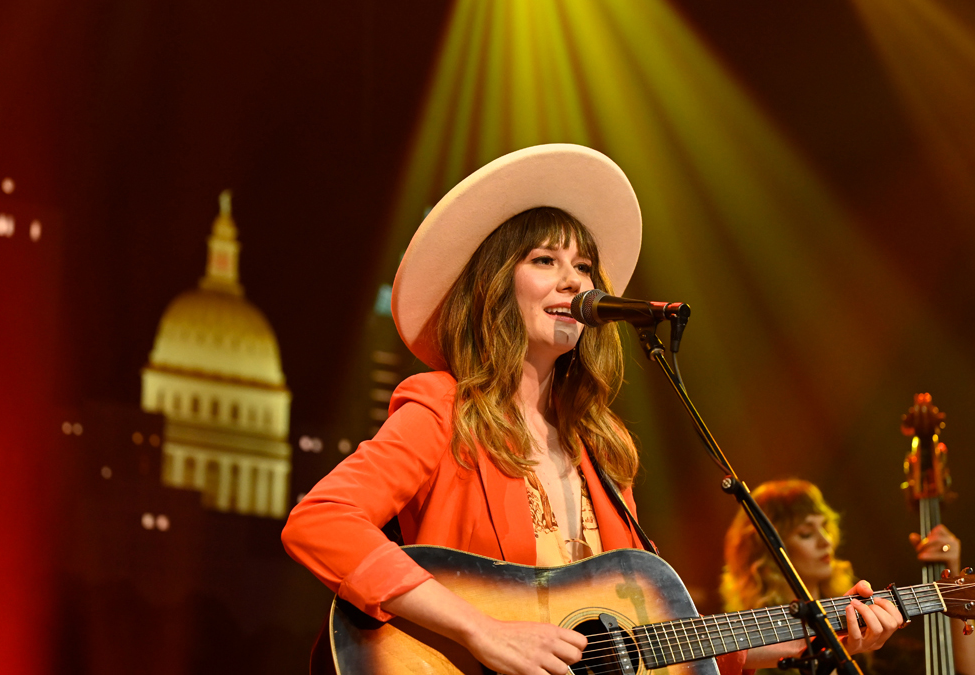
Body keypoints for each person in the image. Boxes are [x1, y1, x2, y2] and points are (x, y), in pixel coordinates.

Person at [283, 144, 897, 675]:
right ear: (496, 285)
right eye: (544, 260)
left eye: (582, 266)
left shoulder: (601, 449)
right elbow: (322, 520)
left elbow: (648, 636)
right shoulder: (443, 408)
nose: (574, 282)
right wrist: (480, 630)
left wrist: (821, 628)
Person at [720, 479, 975, 675]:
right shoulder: (748, 649)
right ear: (766, 552)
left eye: (825, 527)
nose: (826, 541)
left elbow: (960, 671)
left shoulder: (858, 623)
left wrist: (952, 577)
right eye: (806, 533)